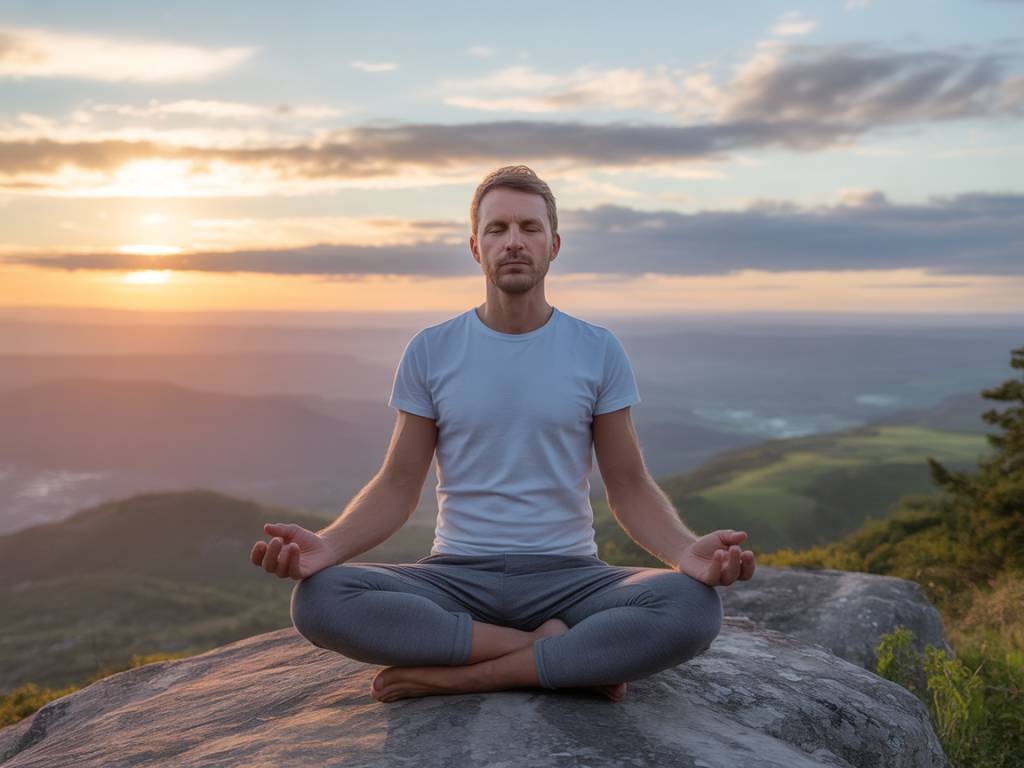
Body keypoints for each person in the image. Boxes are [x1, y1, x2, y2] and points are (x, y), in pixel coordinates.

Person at [250, 164, 756, 704]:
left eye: (529, 227)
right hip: (455, 579)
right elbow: (398, 483)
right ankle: (560, 655)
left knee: (692, 605)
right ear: (476, 247)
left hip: (572, 579)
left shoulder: (597, 348)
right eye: (497, 228)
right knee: (320, 598)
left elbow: (628, 484)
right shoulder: (432, 349)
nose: (514, 241)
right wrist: (328, 546)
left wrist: (685, 553)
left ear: (553, 245)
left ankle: (470, 674)